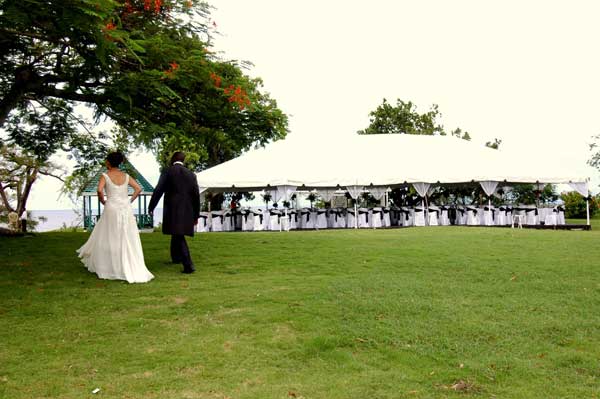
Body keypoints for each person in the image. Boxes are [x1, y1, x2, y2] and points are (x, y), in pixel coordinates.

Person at [77, 152, 154, 283]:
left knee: (109, 235)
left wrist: (103, 201)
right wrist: (129, 201)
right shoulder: (126, 176)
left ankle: (109, 267)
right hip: (125, 207)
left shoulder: (105, 176)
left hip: (111, 206)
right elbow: (138, 189)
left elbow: (100, 190)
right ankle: (126, 264)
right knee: (126, 235)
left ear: (108, 162)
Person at [148, 152, 200, 274]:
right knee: (176, 232)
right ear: (183, 160)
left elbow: (158, 190)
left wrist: (152, 206)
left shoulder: (168, 172)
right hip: (187, 209)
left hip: (172, 208)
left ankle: (188, 264)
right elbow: (196, 196)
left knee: (178, 234)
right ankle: (175, 258)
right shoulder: (191, 174)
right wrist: (196, 214)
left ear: (172, 159)